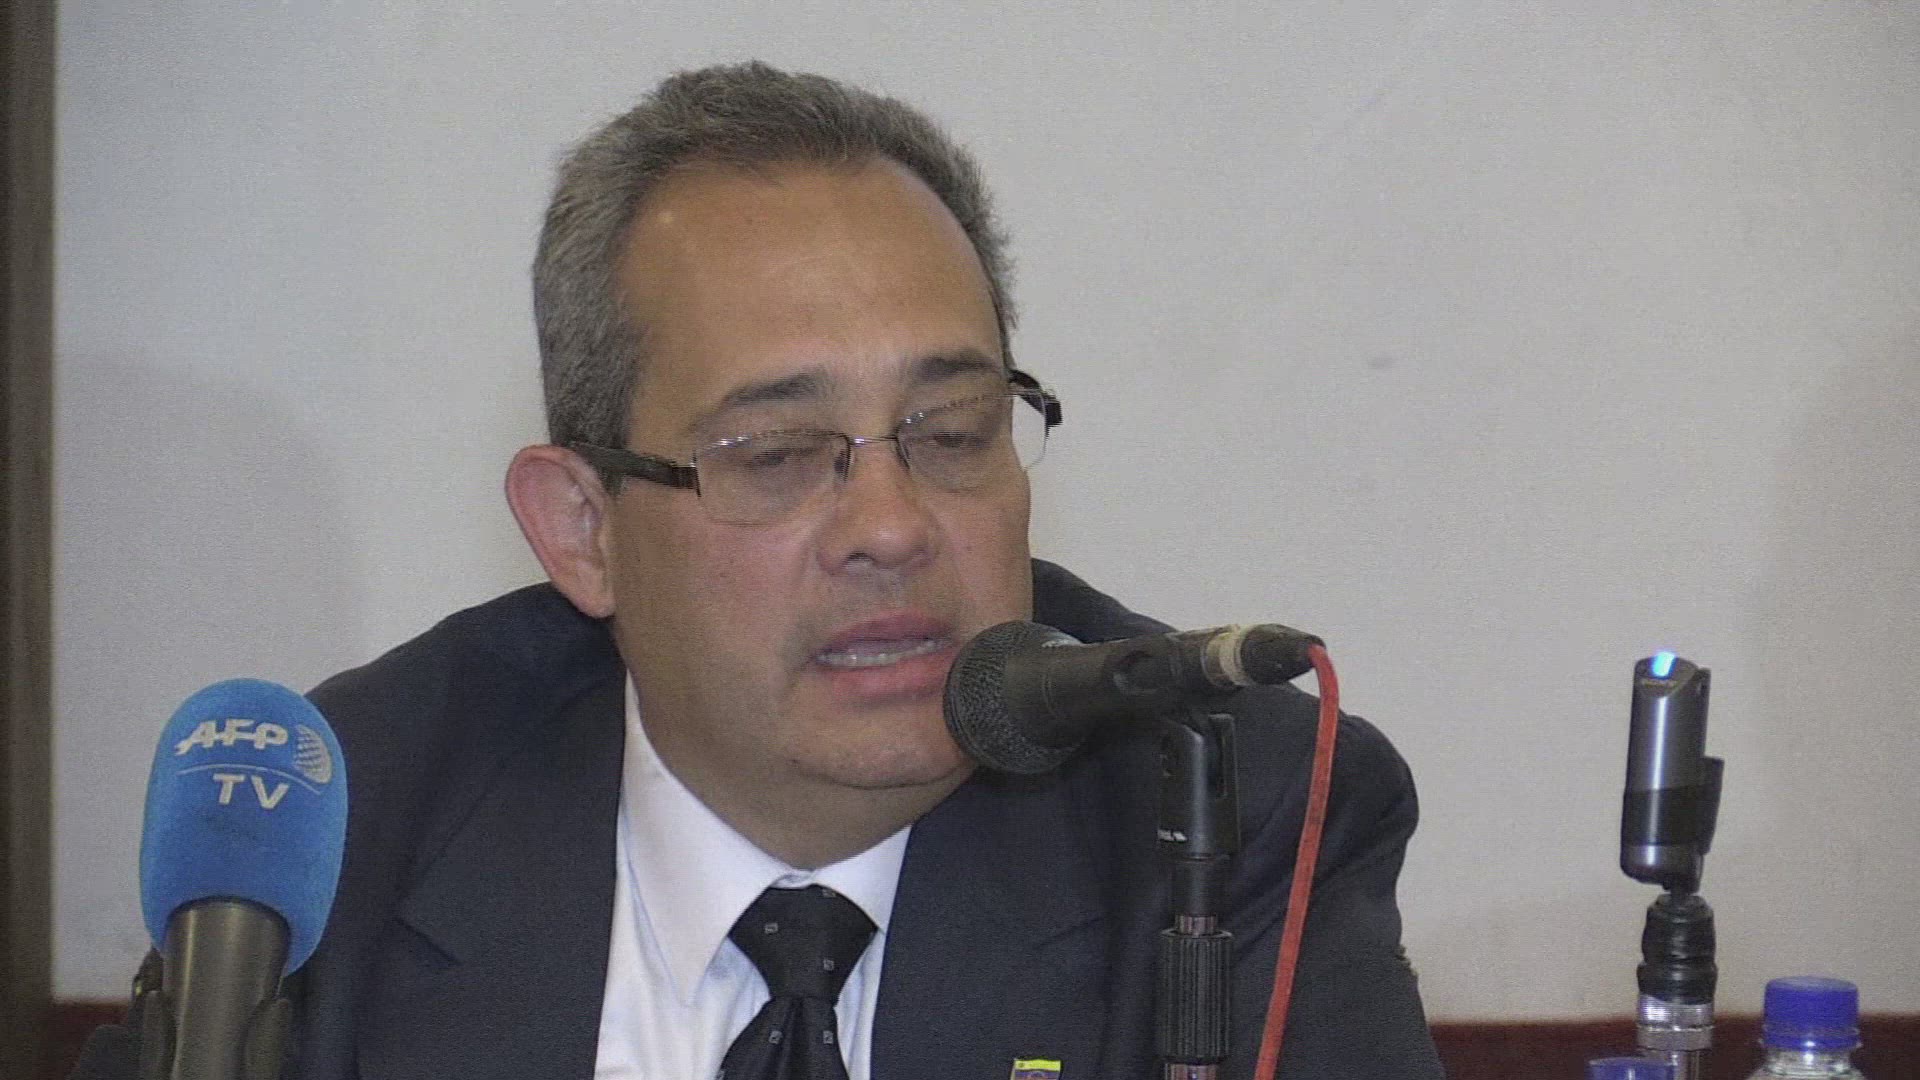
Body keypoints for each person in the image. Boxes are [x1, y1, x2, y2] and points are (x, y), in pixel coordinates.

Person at [75, 62, 1442, 1079]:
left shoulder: (1222, 811)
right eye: (779, 455)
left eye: (953, 433)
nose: (892, 526)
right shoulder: (334, 836)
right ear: (582, 528)